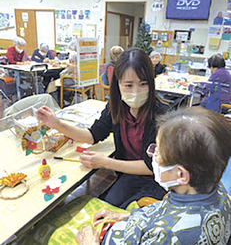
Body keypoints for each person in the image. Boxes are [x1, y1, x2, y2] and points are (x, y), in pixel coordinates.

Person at [74, 107, 231, 244]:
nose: (153, 155)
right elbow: (165, 209)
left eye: (158, 152)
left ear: (181, 174)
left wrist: (90, 242)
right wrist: (127, 215)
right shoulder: (216, 190)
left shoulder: (168, 235)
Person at [36, 47, 169, 208]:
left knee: (120, 214)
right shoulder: (117, 107)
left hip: (157, 181)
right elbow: (93, 134)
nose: (136, 92)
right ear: (118, 84)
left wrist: (105, 162)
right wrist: (57, 124)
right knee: (105, 205)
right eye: (128, 85)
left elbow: (151, 167)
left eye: (143, 84)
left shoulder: (161, 116)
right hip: (129, 175)